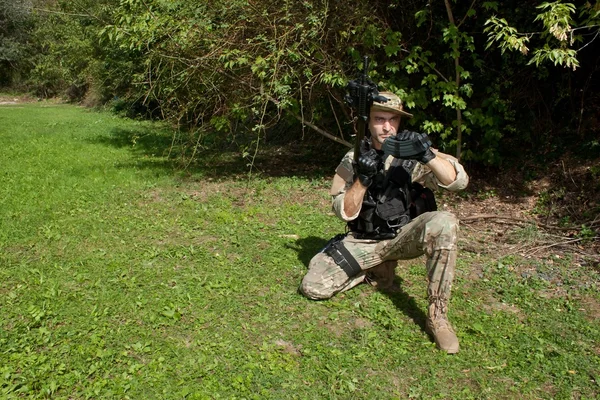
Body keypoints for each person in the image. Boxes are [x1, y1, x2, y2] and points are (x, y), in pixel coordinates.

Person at [299, 92, 469, 354]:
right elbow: (343, 211)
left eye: (393, 120)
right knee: (313, 287)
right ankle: (374, 269)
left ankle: (438, 317)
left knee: (444, 221)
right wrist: (362, 180)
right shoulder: (352, 158)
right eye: (380, 119)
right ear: (368, 122)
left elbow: (458, 181)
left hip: (402, 237)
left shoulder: (412, 152)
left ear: (400, 123)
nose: (387, 127)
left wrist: (427, 156)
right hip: (363, 240)